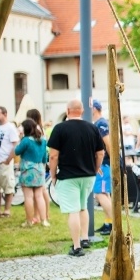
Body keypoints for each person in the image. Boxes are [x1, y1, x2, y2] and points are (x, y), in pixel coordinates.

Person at [47, 99, 105, 257]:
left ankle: (77, 247)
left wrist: (53, 175)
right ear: (82, 111)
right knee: (83, 207)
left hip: (68, 176)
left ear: (67, 111)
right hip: (88, 175)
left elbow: (53, 156)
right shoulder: (92, 128)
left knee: (73, 210)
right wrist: (95, 168)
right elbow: (100, 153)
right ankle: (85, 238)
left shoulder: (59, 128)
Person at [15, 119, 49, 228]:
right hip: (39, 169)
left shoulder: (26, 140)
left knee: (28, 197)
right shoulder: (42, 140)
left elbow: (17, 151)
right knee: (39, 196)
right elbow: (44, 158)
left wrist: (20, 138)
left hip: (27, 170)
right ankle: (44, 220)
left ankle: (29, 221)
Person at [91, 100, 114, 236]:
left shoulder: (101, 123)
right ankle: (108, 223)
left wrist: (112, 161)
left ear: (94, 109)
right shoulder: (99, 123)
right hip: (103, 163)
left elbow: (108, 143)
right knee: (104, 194)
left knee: (100, 193)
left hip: (104, 164)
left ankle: (113, 224)